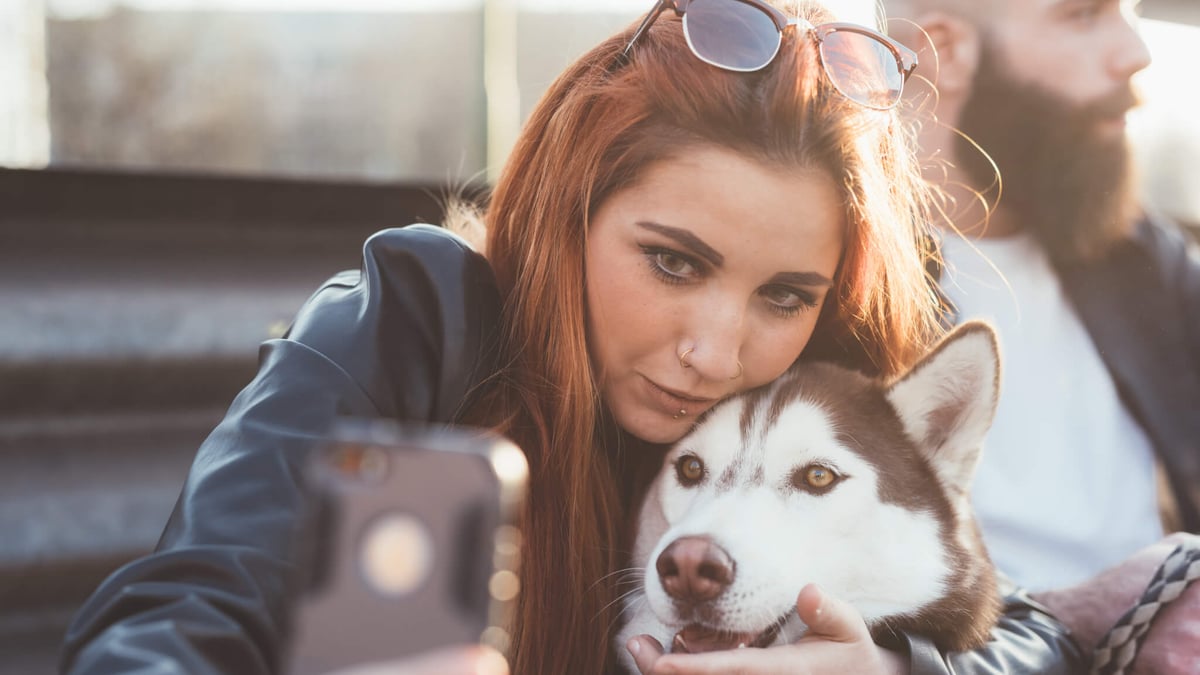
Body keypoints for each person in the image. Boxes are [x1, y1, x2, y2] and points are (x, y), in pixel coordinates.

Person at [59, 1, 1085, 674]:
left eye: (784, 294)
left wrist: (897, 668)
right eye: (673, 263)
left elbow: (1030, 629)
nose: (717, 354)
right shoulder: (416, 320)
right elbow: (175, 619)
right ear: (568, 211)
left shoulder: (814, 388)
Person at [886, 0, 1200, 671]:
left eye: (1132, 12)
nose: (1136, 52)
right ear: (942, 51)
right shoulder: (822, 288)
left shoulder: (1140, 261)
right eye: (1083, 15)